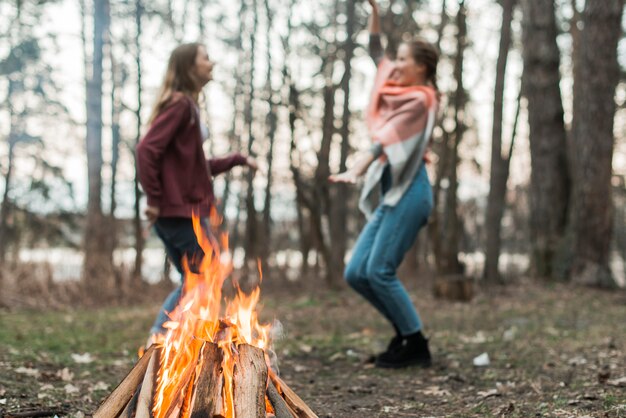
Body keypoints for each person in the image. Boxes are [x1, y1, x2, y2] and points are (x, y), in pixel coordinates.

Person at [329, 0, 439, 368]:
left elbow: (385, 139)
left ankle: (416, 344)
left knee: (379, 271)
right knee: (356, 272)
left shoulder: (422, 100)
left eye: (404, 59)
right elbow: (376, 51)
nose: (396, 65)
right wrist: (374, 11)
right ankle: (404, 334)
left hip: (411, 193)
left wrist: (358, 164)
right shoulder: (394, 86)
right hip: (393, 193)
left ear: (421, 67)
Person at [136, 43, 258, 339]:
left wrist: (237, 159)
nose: (211, 62)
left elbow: (194, 167)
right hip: (177, 212)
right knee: (207, 274)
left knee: (196, 280)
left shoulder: (187, 106)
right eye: (205, 58)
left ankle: (167, 341)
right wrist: (154, 199)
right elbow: (146, 150)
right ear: (189, 67)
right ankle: (160, 339)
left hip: (180, 211)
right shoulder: (181, 105)